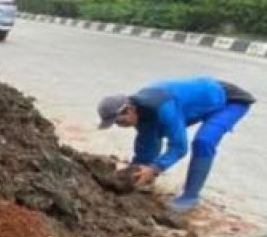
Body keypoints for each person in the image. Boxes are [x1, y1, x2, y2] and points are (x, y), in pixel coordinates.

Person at [97, 77, 256, 211]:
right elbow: (147, 143)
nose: (119, 125)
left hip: (230, 101)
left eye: (119, 121)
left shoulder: (162, 108)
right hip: (204, 98)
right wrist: (135, 172)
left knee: (204, 141)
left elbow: (179, 147)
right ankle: (145, 182)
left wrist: (154, 168)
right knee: (149, 135)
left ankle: (190, 196)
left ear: (129, 109)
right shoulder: (141, 111)